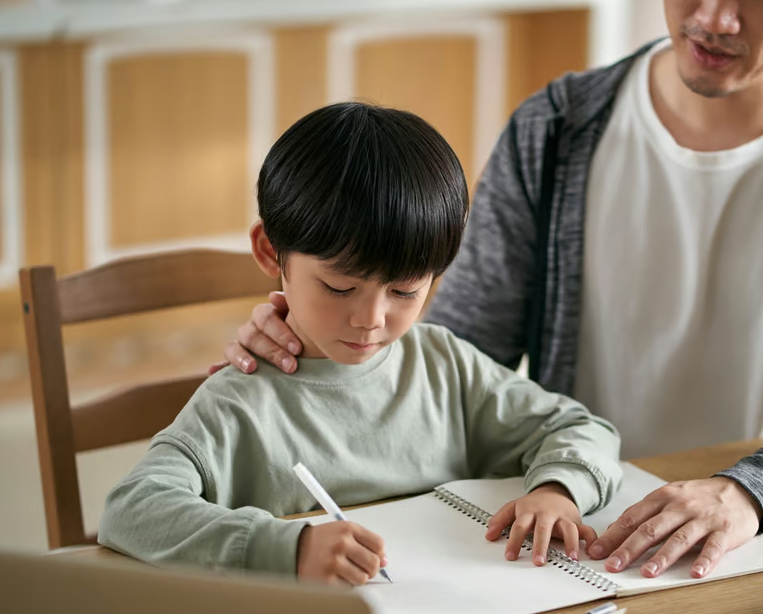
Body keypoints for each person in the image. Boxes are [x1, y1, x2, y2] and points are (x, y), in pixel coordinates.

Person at [221, 0, 763, 583]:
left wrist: (748, 493)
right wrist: (320, 347)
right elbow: (456, 355)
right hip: (570, 529)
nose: (713, 17)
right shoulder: (555, 129)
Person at [99, 102, 623, 586]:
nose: (371, 319)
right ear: (268, 251)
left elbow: (580, 428)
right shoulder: (240, 402)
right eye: (340, 288)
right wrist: (286, 547)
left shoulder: (445, 365)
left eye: (405, 291)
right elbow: (131, 510)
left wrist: (558, 491)